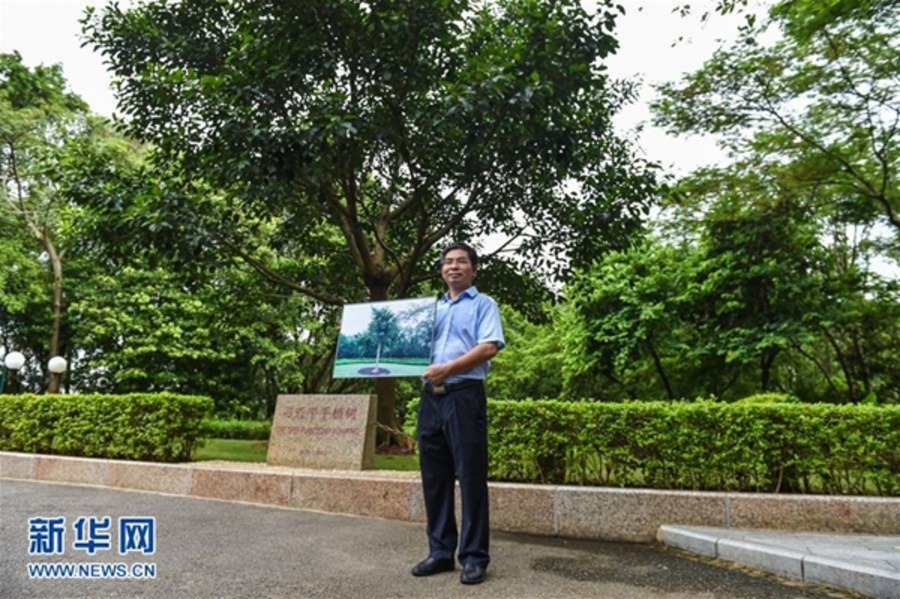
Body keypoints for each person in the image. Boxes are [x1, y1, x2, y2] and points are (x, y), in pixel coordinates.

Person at [411, 241, 505, 586]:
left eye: (461, 261)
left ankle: (474, 557)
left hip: (464, 397)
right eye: (448, 261)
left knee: (470, 477)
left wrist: (448, 369)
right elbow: (411, 348)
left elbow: (489, 347)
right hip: (430, 399)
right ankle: (439, 552)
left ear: (473, 269)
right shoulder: (429, 310)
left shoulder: (484, 304)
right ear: (441, 270)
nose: (454, 266)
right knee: (434, 478)